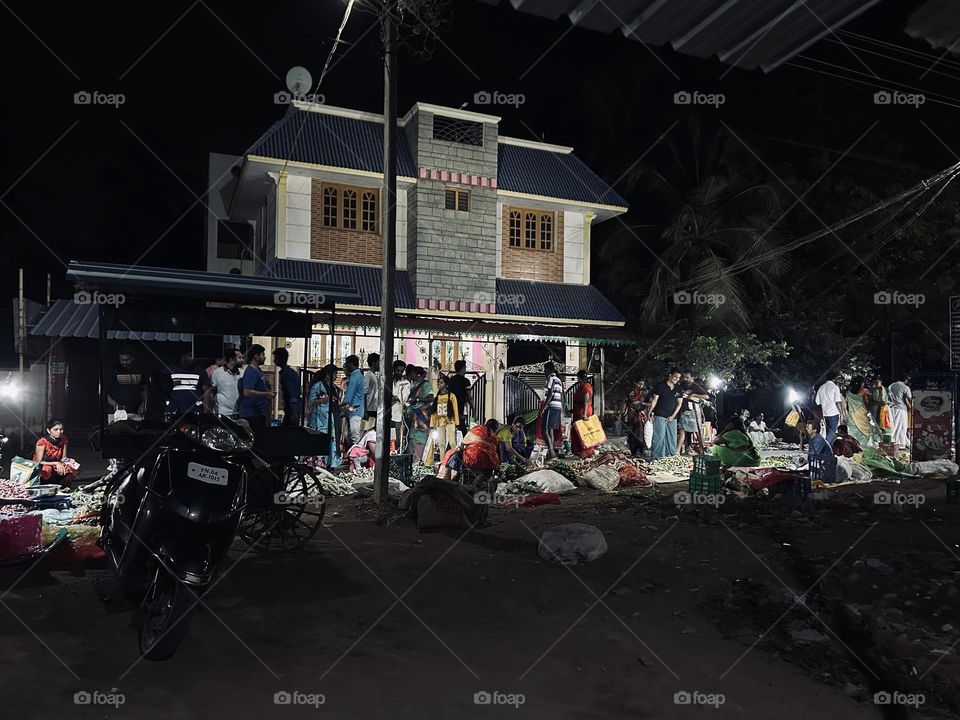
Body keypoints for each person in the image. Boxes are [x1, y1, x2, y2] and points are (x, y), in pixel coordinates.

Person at [307, 365, 341, 467]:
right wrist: (323, 400)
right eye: (334, 374)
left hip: (330, 418)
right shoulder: (318, 386)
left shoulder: (334, 387)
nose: (335, 377)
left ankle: (330, 462)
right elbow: (311, 402)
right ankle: (317, 462)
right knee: (319, 440)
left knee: (330, 440)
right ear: (327, 375)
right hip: (319, 419)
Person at [424, 374, 460, 464]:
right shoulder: (437, 398)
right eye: (438, 383)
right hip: (439, 423)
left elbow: (455, 410)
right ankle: (442, 462)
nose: (439, 384)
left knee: (452, 442)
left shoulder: (452, 396)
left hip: (450, 421)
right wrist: (432, 425)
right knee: (441, 444)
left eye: (441, 383)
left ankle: (454, 462)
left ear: (446, 385)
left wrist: (457, 423)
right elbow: (434, 413)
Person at [648, 369, 683, 460]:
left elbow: (679, 404)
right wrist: (650, 412)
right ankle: (656, 458)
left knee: (671, 437)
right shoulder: (660, 386)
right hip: (660, 414)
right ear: (670, 375)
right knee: (659, 437)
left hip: (673, 416)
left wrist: (673, 416)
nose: (677, 379)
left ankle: (669, 458)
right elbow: (655, 400)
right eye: (675, 376)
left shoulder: (678, 388)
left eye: (679, 378)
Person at [239, 344, 275, 430]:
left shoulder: (258, 370)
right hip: (251, 414)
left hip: (259, 412)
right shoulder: (250, 372)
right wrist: (266, 394)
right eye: (263, 355)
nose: (265, 357)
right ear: (256, 356)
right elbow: (247, 392)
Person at [33, 418, 79, 484]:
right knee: (47, 469)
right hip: (44, 464)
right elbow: (38, 462)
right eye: (55, 430)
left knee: (73, 465)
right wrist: (56, 463)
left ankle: (62, 485)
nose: (59, 432)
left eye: (61, 429)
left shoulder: (63, 439)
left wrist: (71, 463)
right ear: (48, 431)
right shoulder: (42, 442)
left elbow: (64, 458)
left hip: (57, 462)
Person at [404, 365, 434, 462]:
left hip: (422, 417)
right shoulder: (411, 384)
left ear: (417, 374)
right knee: (411, 438)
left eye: (412, 373)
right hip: (412, 417)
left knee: (420, 439)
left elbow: (430, 398)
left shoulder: (426, 384)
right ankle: (412, 461)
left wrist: (417, 399)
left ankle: (420, 461)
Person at [107, 348, 147, 418]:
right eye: (122, 360)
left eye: (127, 360)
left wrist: (143, 404)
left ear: (132, 358)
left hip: (136, 412)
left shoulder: (140, 371)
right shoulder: (112, 371)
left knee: (136, 429)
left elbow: (144, 389)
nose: (124, 362)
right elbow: (103, 392)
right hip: (116, 413)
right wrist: (114, 405)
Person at [845, 376, 882, 449]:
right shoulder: (863, 391)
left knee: (853, 429)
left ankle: (853, 445)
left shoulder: (848, 392)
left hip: (852, 414)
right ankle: (866, 445)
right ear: (861, 383)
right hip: (862, 413)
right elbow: (867, 403)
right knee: (866, 429)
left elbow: (847, 404)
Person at [678, 372, 710, 455]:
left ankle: (701, 448)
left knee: (697, 430)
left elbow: (706, 396)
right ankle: (681, 449)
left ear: (692, 378)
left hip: (693, 411)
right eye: (684, 377)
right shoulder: (682, 385)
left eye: (687, 377)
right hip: (683, 410)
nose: (685, 379)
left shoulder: (696, 386)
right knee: (683, 430)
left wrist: (693, 394)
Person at [273, 347, 302, 426]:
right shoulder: (291, 372)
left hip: (291, 408)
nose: (274, 360)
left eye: (276, 358)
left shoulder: (286, 374)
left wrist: (293, 412)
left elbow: (292, 393)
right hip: (293, 407)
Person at [209, 350, 243, 417]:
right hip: (222, 414)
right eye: (239, 358)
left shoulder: (243, 373)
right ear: (231, 359)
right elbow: (212, 393)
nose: (242, 360)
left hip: (239, 414)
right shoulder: (217, 373)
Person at [815, 375, 846, 447]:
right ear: (835, 378)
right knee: (832, 433)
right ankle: (824, 447)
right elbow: (837, 401)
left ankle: (829, 451)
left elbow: (817, 402)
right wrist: (841, 413)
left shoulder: (821, 387)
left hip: (825, 413)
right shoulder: (835, 387)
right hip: (834, 412)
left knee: (829, 432)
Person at [571, 369, 595, 459]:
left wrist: (584, 414)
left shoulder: (586, 387)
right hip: (578, 412)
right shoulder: (580, 388)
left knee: (583, 433)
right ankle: (579, 451)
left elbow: (586, 401)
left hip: (583, 412)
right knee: (576, 432)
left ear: (579, 378)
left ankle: (586, 452)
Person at [342, 355, 366, 445]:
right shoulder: (359, 376)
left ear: (351, 364)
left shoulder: (354, 377)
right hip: (357, 410)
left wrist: (341, 407)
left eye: (347, 364)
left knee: (354, 437)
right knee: (353, 435)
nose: (346, 366)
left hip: (354, 410)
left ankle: (356, 457)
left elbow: (349, 395)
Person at [542, 362, 564, 460]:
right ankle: (552, 451)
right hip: (558, 407)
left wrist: (544, 408)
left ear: (548, 370)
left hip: (551, 406)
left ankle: (551, 452)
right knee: (550, 429)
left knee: (544, 430)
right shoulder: (559, 380)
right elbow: (562, 395)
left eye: (545, 370)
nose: (544, 372)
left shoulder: (551, 379)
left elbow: (550, 394)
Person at [622, 379, 650, 457]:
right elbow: (625, 402)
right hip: (631, 415)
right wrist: (623, 412)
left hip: (641, 416)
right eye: (639, 384)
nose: (640, 386)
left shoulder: (645, 393)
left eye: (642, 384)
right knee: (631, 433)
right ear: (635, 383)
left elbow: (650, 404)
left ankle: (640, 451)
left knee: (640, 433)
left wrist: (641, 403)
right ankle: (633, 451)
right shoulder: (631, 392)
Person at [447, 360, 473, 436]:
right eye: (465, 367)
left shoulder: (450, 380)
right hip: (460, 408)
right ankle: (464, 445)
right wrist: (473, 409)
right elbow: (469, 397)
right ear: (463, 368)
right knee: (462, 429)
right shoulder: (466, 381)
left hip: (450, 408)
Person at [887, 373, 913, 449]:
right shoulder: (905, 387)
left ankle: (896, 442)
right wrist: (911, 408)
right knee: (902, 426)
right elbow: (910, 399)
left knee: (894, 426)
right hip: (901, 409)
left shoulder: (891, 386)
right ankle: (900, 443)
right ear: (905, 379)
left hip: (891, 408)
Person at [391, 359, 410, 450]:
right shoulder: (388, 381)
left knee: (398, 438)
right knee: (387, 438)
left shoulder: (405, 383)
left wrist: (394, 397)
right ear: (393, 369)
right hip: (387, 414)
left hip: (398, 415)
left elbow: (404, 399)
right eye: (397, 370)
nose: (399, 373)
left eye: (401, 371)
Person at [363, 353, 382, 432]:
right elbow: (364, 392)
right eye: (378, 362)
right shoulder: (369, 376)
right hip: (370, 408)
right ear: (374, 363)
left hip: (374, 407)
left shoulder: (374, 376)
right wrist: (365, 410)